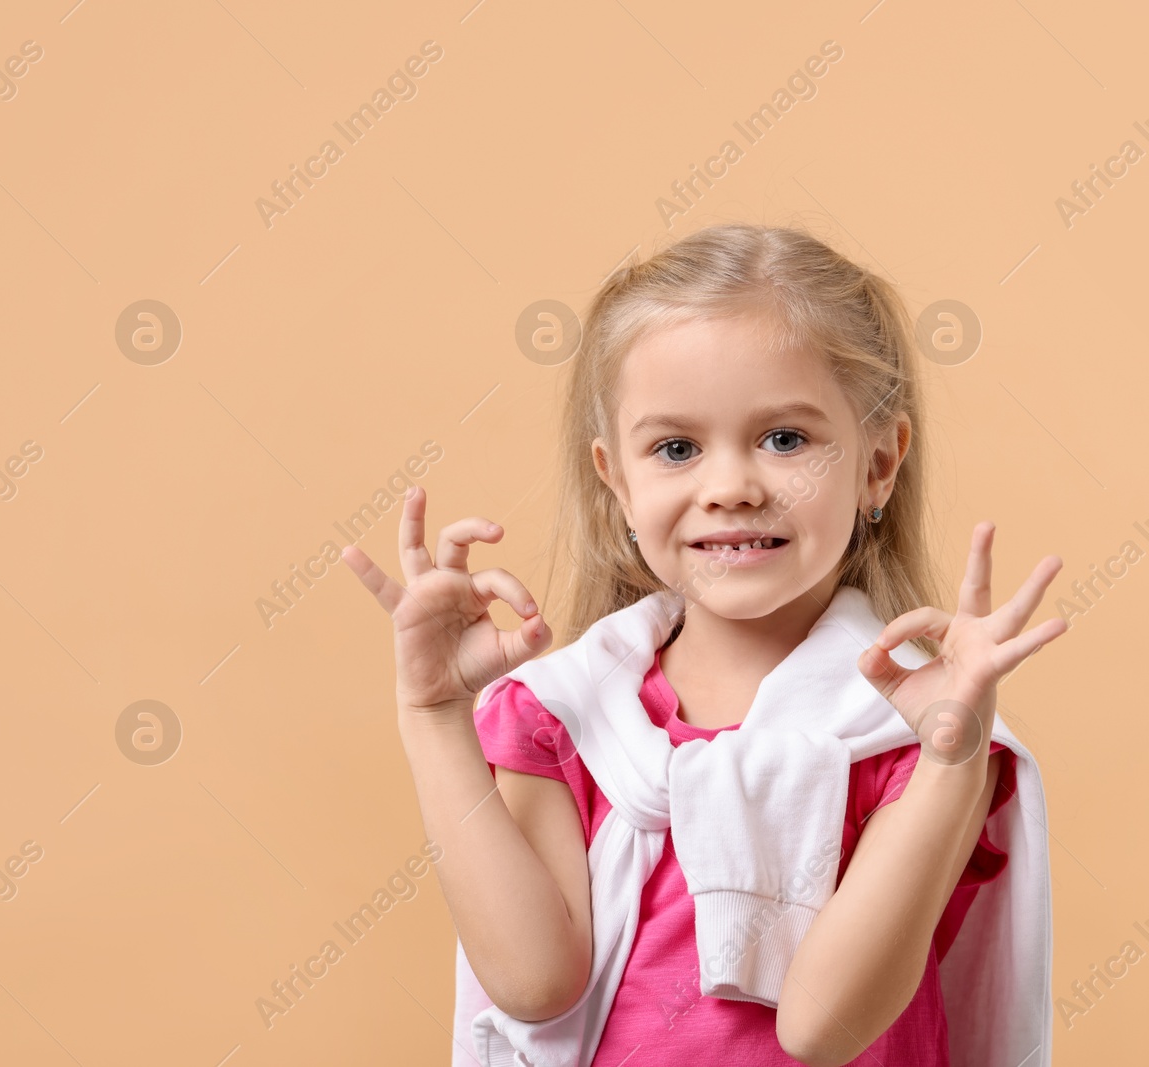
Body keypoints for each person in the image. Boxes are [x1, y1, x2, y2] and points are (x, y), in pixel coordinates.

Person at [346, 222, 1068, 1065]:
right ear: (615, 477)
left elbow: (821, 1027)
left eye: (785, 439)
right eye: (677, 448)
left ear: (878, 463)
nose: (729, 487)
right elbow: (534, 983)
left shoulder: (909, 735)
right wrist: (434, 715)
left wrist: (950, 761)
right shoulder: (567, 717)